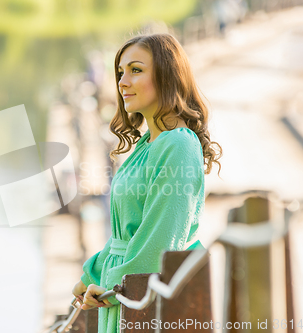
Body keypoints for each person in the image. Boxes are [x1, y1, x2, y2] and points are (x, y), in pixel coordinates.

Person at [71, 33, 222, 333]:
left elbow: (159, 241)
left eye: (136, 70)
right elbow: (127, 236)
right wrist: (91, 276)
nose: (122, 82)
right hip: (125, 294)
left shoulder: (178, 145)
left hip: (144, 303)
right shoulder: (146, 145)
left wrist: (113, 288)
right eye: (120, 73)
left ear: (167, 75)